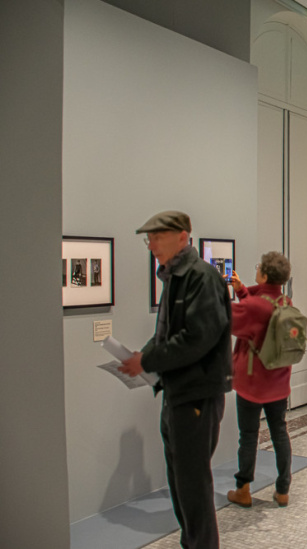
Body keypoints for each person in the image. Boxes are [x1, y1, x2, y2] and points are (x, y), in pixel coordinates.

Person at [119, 210, 232, 549]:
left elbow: (199, 336)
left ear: (182, 237)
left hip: (197, 396)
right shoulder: (174, 278)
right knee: (182, 480)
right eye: (148, 238)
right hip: (176, 393)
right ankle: (192, 543)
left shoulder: (201, 277)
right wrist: (142, 357)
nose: (151, 244)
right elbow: (167, 332)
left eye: (157, 237)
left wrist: (148, 359)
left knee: (193, 483)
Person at [226, 251, 293, 509]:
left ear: (263, 274)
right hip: (279, 382)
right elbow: (261, 304)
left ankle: (243, 489)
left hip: (252, 384)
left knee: (249, 435)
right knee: (279, 432)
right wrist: (243, 291)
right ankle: (283, 489)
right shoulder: (285, 302)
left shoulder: (255, 307)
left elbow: (230, 319)